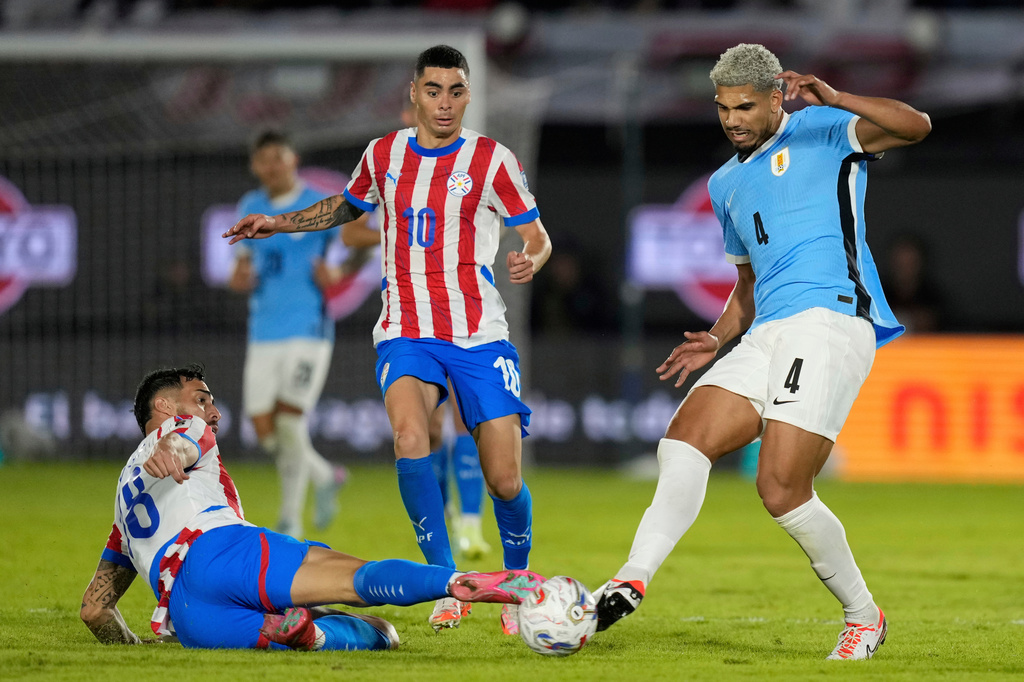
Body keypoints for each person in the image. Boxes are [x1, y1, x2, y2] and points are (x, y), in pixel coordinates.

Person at [594, 43, 930, 661]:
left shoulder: (824, 129)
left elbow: (916, 126)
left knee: (780, 489)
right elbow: (747, 287)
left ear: (777, 98)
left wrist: (837, 97)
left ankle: (864, 617)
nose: (732, 120)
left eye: (745, 107)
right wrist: (716, 338)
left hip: (830, 319)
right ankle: (628, 581)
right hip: (766, 331)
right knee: (684, 440)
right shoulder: (725, 183)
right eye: (723, 108)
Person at [225, 45, 551, 636]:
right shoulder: (384, 154)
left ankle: (516, 580)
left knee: (504, 480)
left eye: (456, 91)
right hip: (405, 329)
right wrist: (278, 222)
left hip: (478, 333)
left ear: (468, 95)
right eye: (433, 90)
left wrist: (531, 257)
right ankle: (447, 583)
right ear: (414, 93)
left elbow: (537, 235)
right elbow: (344, 208)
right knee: (410, 437)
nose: (444, 103)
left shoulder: (492, 160)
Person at [79, 363, 545, 651]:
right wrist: (173, 449)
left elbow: (95, 611)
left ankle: (306, 632)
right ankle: (466, 584)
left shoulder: (123, 502)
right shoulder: (184, 429)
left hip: (190, 614)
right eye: (203, 400)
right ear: (165, 406)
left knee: (324, 634)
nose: (213, 412)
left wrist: (135, 647)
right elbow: (183, 442)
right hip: (225, 554)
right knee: (366, 597)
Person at [228, 130, 369, 539]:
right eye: (264, 159)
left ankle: (289, 519)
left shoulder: (317, 204)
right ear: (254, 166)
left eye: (279, 156)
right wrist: (240, 277)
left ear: (294, 159)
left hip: (309, 328)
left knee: (290, 422)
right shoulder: (250, 206)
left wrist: (340, 272)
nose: (272, 166)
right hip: (263, 330)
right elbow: (241, 267)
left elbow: (360, 240)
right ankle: (325, 475)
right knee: (265, 430)